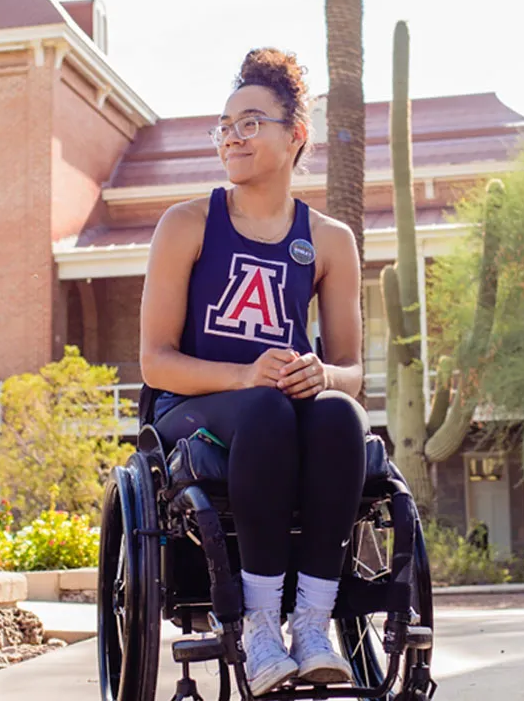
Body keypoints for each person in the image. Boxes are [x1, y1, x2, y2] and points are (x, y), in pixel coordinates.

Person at [139, 48, 366, 695]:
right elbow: (155, 360)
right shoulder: (186, 225)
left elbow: (352, 370)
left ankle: (314, 624)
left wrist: (322, 371)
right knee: (266, 407)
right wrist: (244, 377)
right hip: (192, 408)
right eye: (225, 125)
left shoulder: (328, 240)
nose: (232, 136)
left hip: (284, 411)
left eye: (250, 123)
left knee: (338, 414)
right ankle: (261, 625)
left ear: (295, 135)